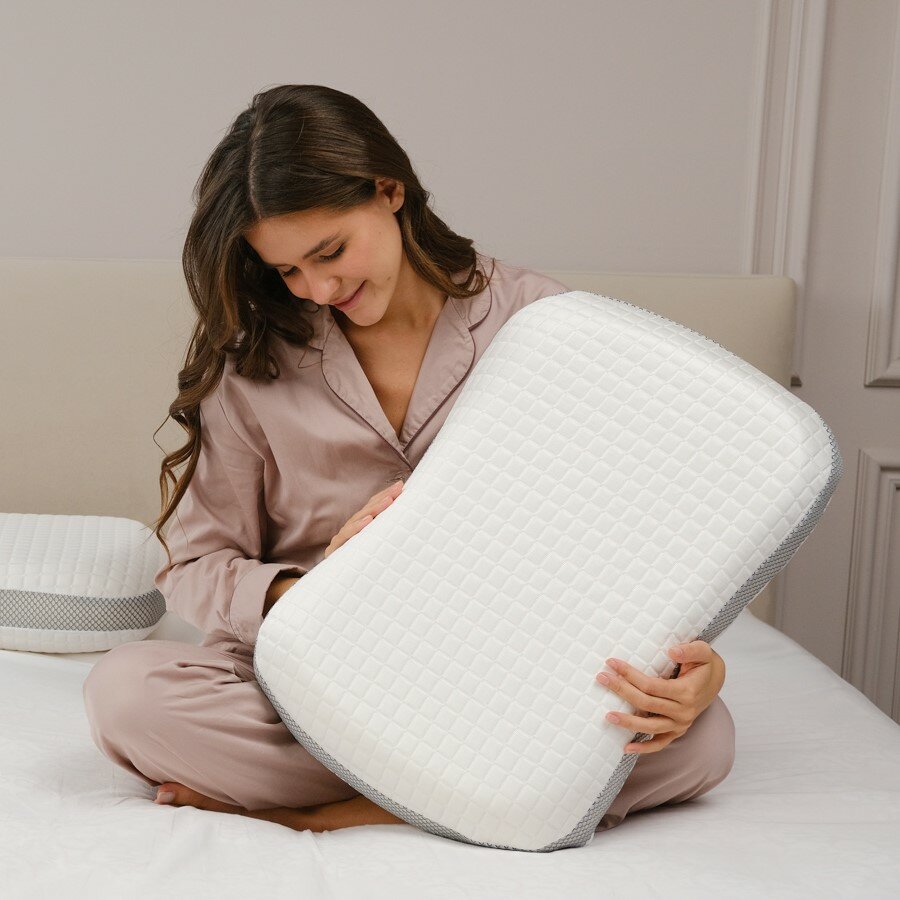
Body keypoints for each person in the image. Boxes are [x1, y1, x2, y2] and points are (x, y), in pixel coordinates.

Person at [82, 84, 734, 836]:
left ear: (389, 190)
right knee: (127, 695)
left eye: (330, 251)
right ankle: (476, 794)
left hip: (501, 671)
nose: (319, 288)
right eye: (289, 271)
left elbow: (628, 532)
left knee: (704, 742)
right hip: (321, 678)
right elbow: (194, 566)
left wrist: (695, 668)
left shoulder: (541, 323)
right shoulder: (256, 364)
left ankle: (330, 811)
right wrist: (318, 588)